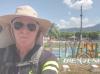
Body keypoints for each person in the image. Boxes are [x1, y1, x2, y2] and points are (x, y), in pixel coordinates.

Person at [0, 5, 59, 74]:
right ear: (11, 30)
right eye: (18, 25)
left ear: (38, 32)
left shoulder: (48, 58)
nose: (24, 31)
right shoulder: (1, 54)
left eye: (31, 26)